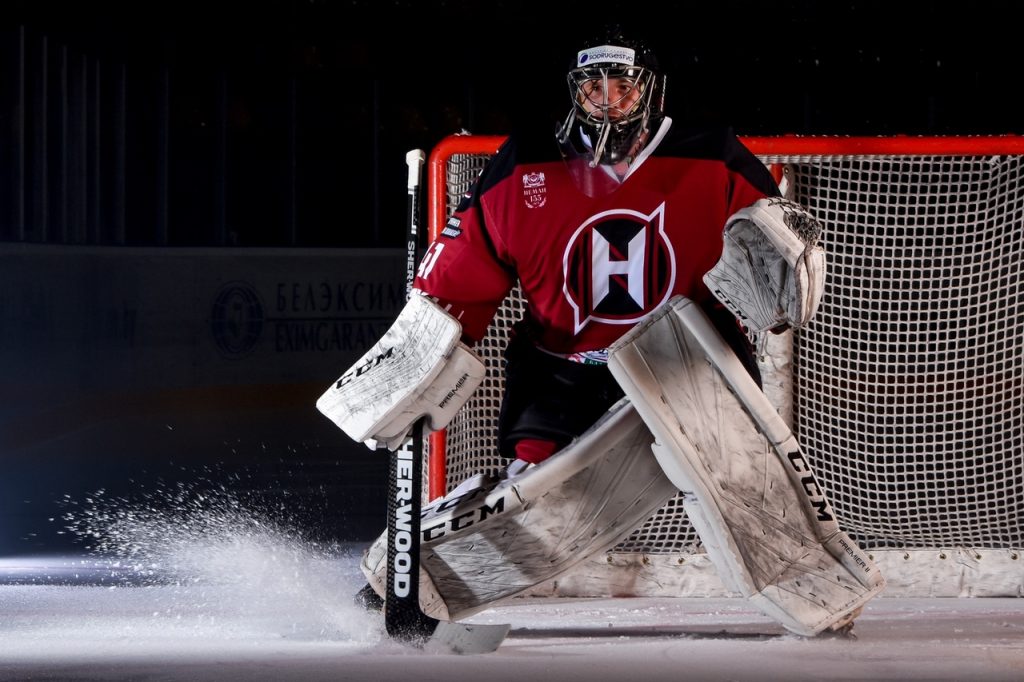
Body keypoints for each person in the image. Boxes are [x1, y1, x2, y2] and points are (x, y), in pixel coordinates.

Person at [412, 25, 779, 469]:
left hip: (690, 364)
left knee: (748, 472)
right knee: (533, 488)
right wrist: (426, 351)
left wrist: (778, 289)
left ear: (651, 93)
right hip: (563, 370)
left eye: (623, 87)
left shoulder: (713, 157)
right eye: (593, 87)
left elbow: (771, 249)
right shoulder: (526, 161)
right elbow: (462, 270)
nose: (607, 101)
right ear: (575, 94)